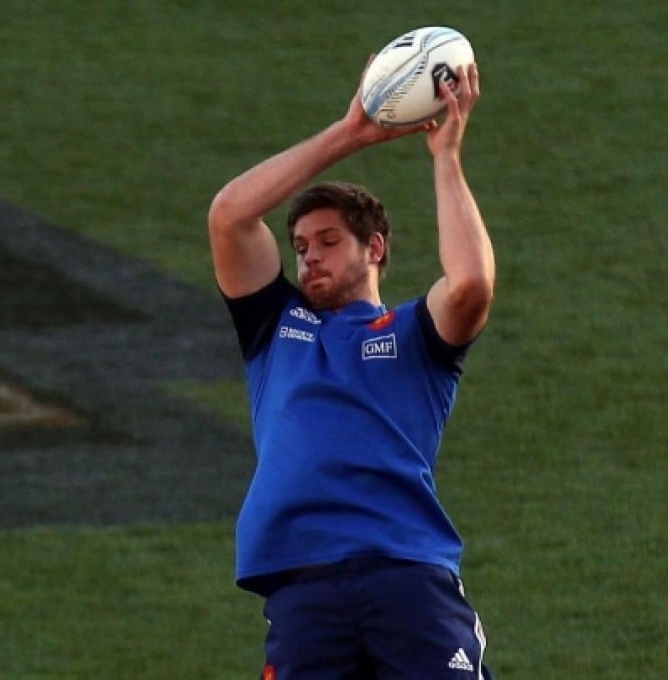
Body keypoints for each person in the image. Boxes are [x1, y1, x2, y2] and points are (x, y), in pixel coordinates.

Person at [208, 57, 496, 679]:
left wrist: (445, 157)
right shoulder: (273, 325)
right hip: (301, 588)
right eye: (302, 247)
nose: (308, 258)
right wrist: (351, 133)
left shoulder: (417, 335)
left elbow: (471, 283)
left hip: (407, 575)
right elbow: (230, 216)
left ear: (376, 248)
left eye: (328, 242)